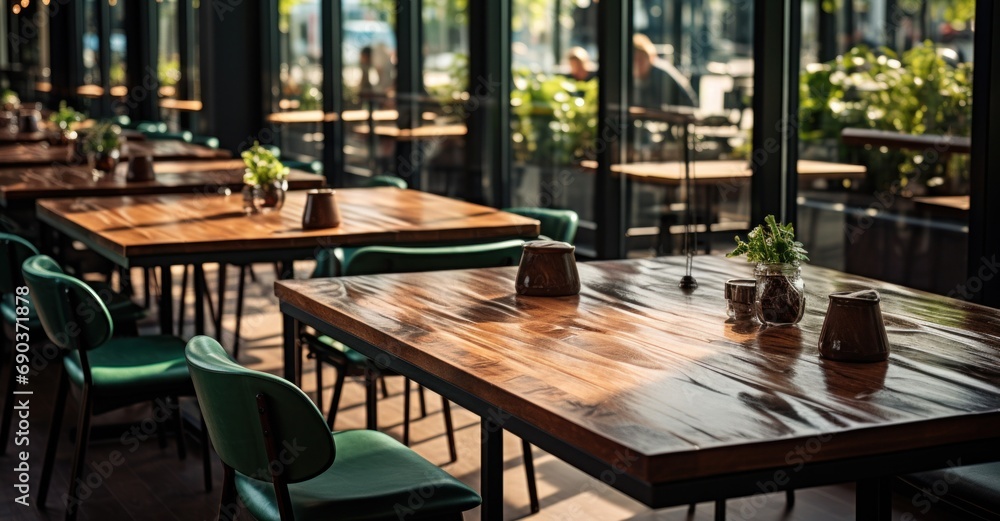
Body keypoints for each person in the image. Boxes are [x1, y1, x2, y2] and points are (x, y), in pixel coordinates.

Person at [632, 33, 699, 109]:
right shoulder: (629, 79)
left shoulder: (661, 74)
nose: (638, 64)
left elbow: (689, 103)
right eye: (634, 60)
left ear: (650, 58)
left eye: (641, 58)